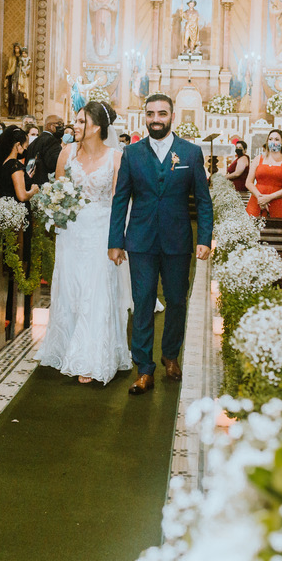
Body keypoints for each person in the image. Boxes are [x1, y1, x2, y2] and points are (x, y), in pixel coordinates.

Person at [108, 94, 212, 395]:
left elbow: (203, 202)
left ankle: (170, 354)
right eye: (151, 113)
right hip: (140, 240)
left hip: (178, 239)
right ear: (145, 116)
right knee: (143, 302)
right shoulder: (132, 153)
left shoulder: (190, 153)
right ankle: (144, 368)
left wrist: (204, 238)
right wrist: (116, 241)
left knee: (177, 301)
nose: (156, 119)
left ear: (173, 116)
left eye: (162, 113)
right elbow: (120, 200)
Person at [35, 102, 133, 385]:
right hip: (71, 232)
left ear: (97, 127)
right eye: (76, 121)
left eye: (81, 121)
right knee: (70, 288)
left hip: (101, 231)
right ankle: (67, 346)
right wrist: (55, 209)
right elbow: (58, 191)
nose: (75, 126)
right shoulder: (66, 154)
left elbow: (119, 202)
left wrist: (118, 239)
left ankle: (91, 356)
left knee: (96, 289)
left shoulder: (116, 158)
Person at [245, 129, 282, 219]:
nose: (273, 142)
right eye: (270, 139)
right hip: (257, 200)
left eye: (277, 139)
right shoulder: (258, 159)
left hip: (278, 202)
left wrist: (269, 197)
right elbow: (248, 182)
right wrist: (260, 198)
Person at [0, 125, 40, 202]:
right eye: (25, 146)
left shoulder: (3, 163)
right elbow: (22, 196)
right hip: (19, 209)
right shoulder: (15, 166)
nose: (26, 149)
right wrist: (33, 190)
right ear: (18, 145)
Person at [26, 115, 65, 187]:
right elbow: (54, 164)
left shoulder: (34, 143)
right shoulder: (51, 141)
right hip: (46, 186)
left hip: (33, 185)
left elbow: (29, 167)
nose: (63, 127)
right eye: (60, 124)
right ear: (51, 126)